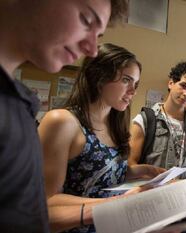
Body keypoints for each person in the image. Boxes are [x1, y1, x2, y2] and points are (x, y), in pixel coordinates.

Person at [0, 1, 128, 232]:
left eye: (98, 35)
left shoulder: (19, 104)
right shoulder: (62, 120)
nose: (91, 49)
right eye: (86, 20)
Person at [38, 43, 145, 233]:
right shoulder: (62, 121)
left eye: (135, 84)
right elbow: (46, 199)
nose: (133, 91)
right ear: (99, 76)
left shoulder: (115, 125)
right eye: (126, 80)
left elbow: (106, 173)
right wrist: (118, 203)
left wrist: (150, 172)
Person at [129, 61, 186, 179]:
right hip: (150, 195)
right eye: (184, 86)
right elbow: (130, 166)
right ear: (171, 83)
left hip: (182, 195)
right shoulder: (145, 120)